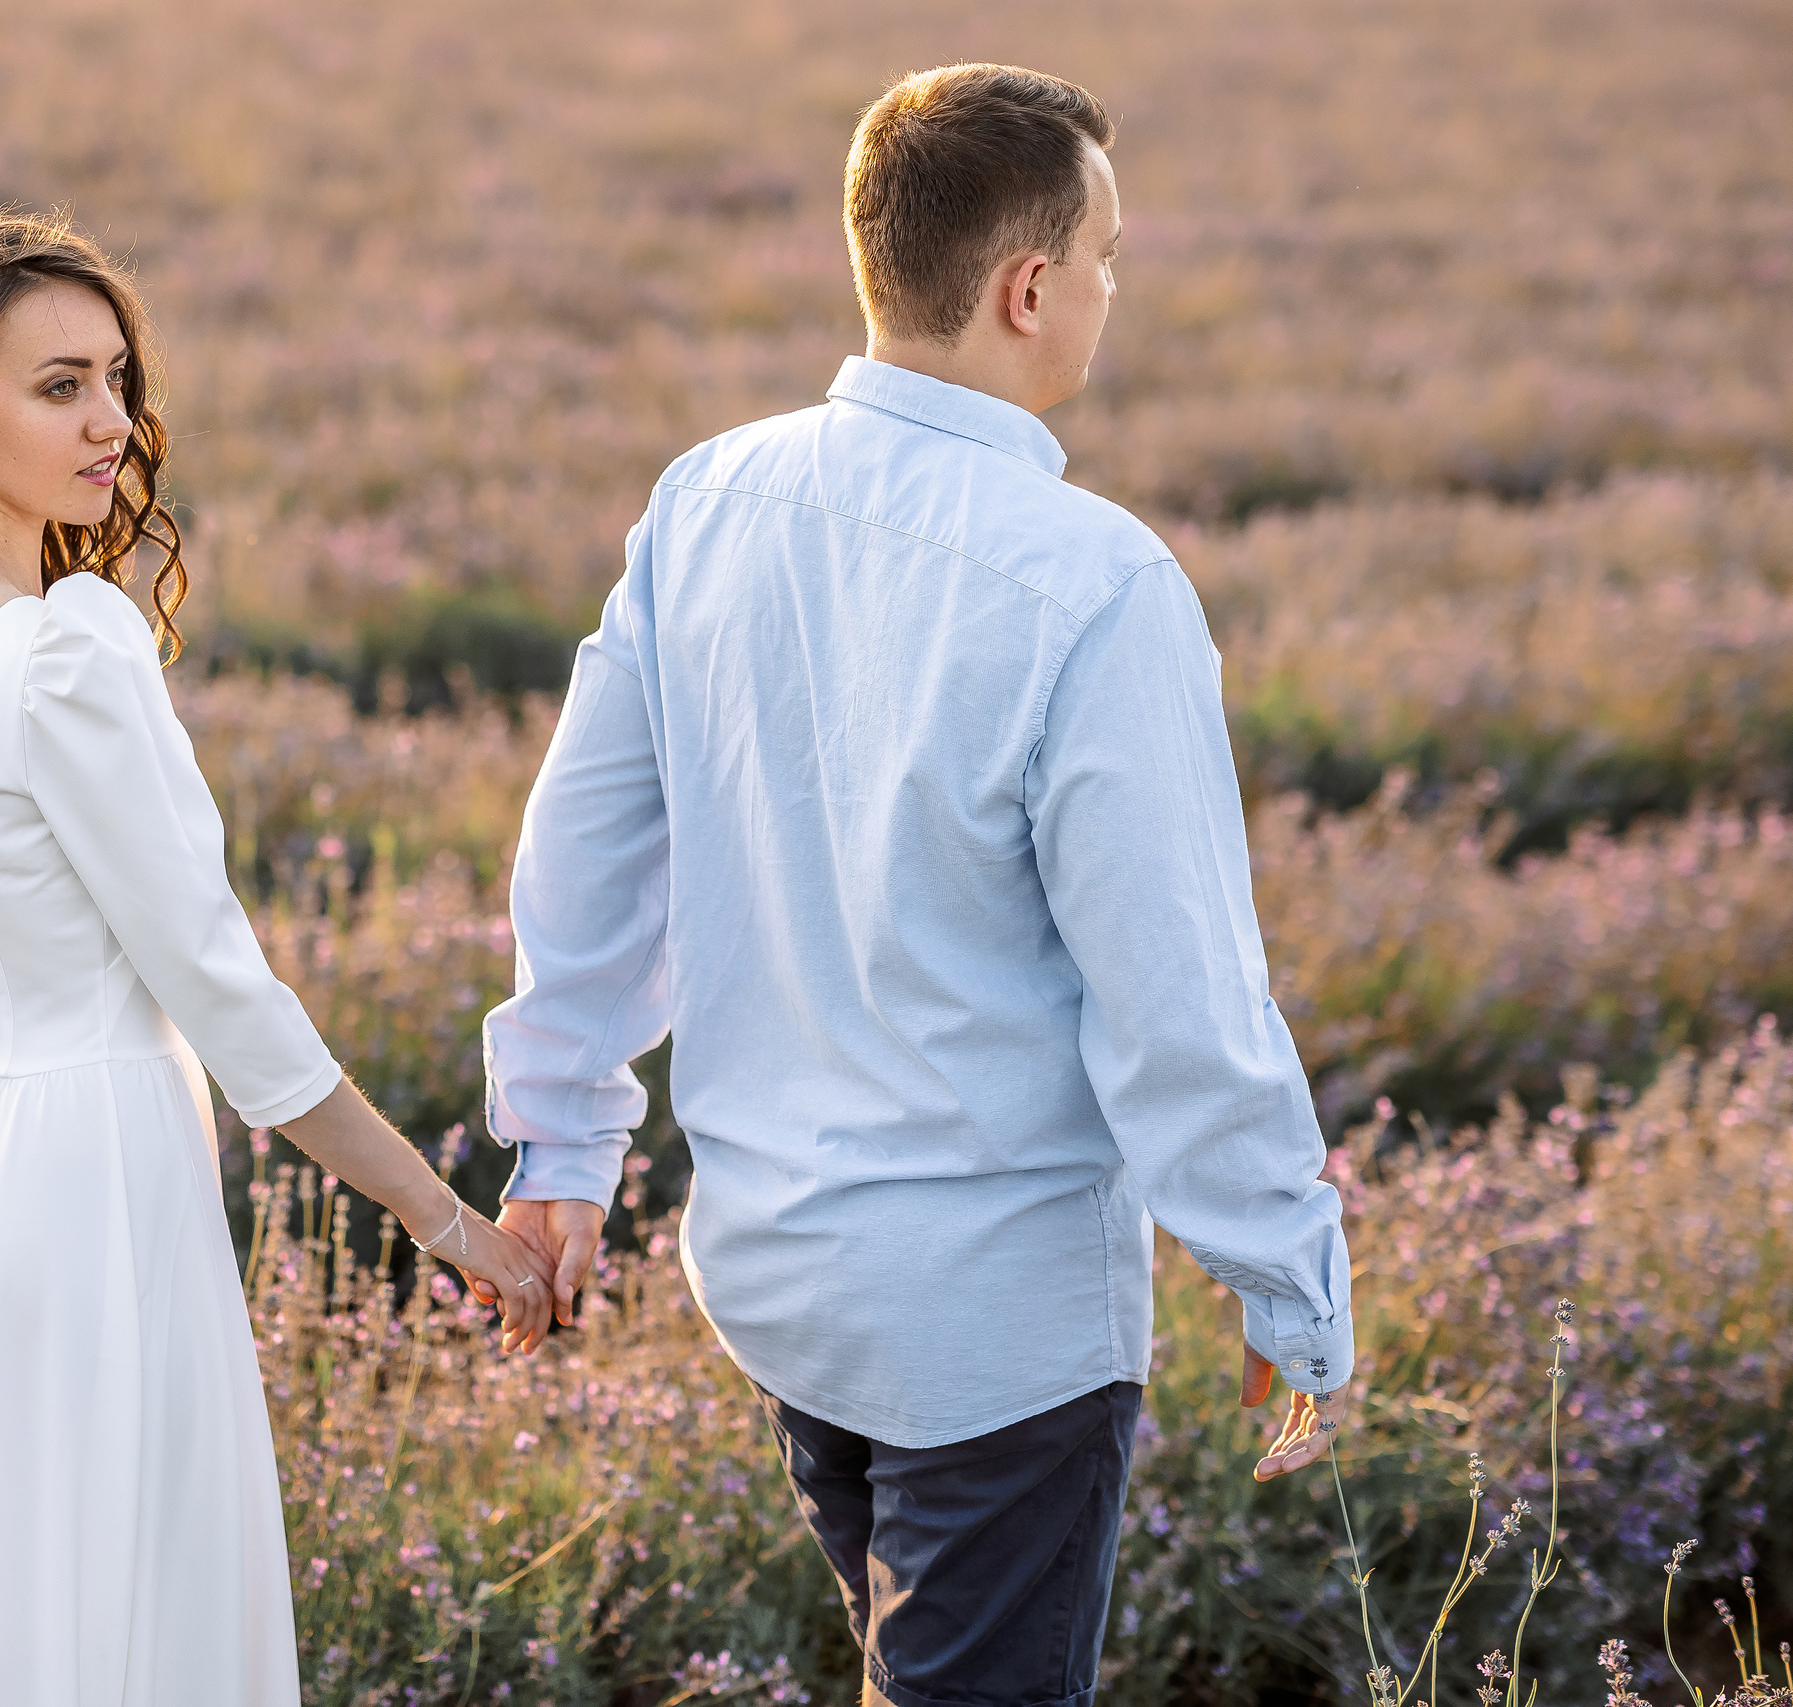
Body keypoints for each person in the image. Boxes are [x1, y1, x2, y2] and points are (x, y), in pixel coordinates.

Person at [483, 64, 1358, 1707]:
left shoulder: (705, 499)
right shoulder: (1102, 585)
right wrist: (1284, 1276)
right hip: (995, 1326)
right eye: (1106, 257)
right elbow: (1176, 992)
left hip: (776, 1276)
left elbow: (589, 848)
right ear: (1031, 290)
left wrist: (564, 1141)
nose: (1111, 291)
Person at [0, 208, 556, 1706]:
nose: (113, 424)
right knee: (128, 1612)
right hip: (91, 1170)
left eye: (117, 380)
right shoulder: (67, 641)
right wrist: (449, 1224)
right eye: (58, 386)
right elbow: (219, 986)